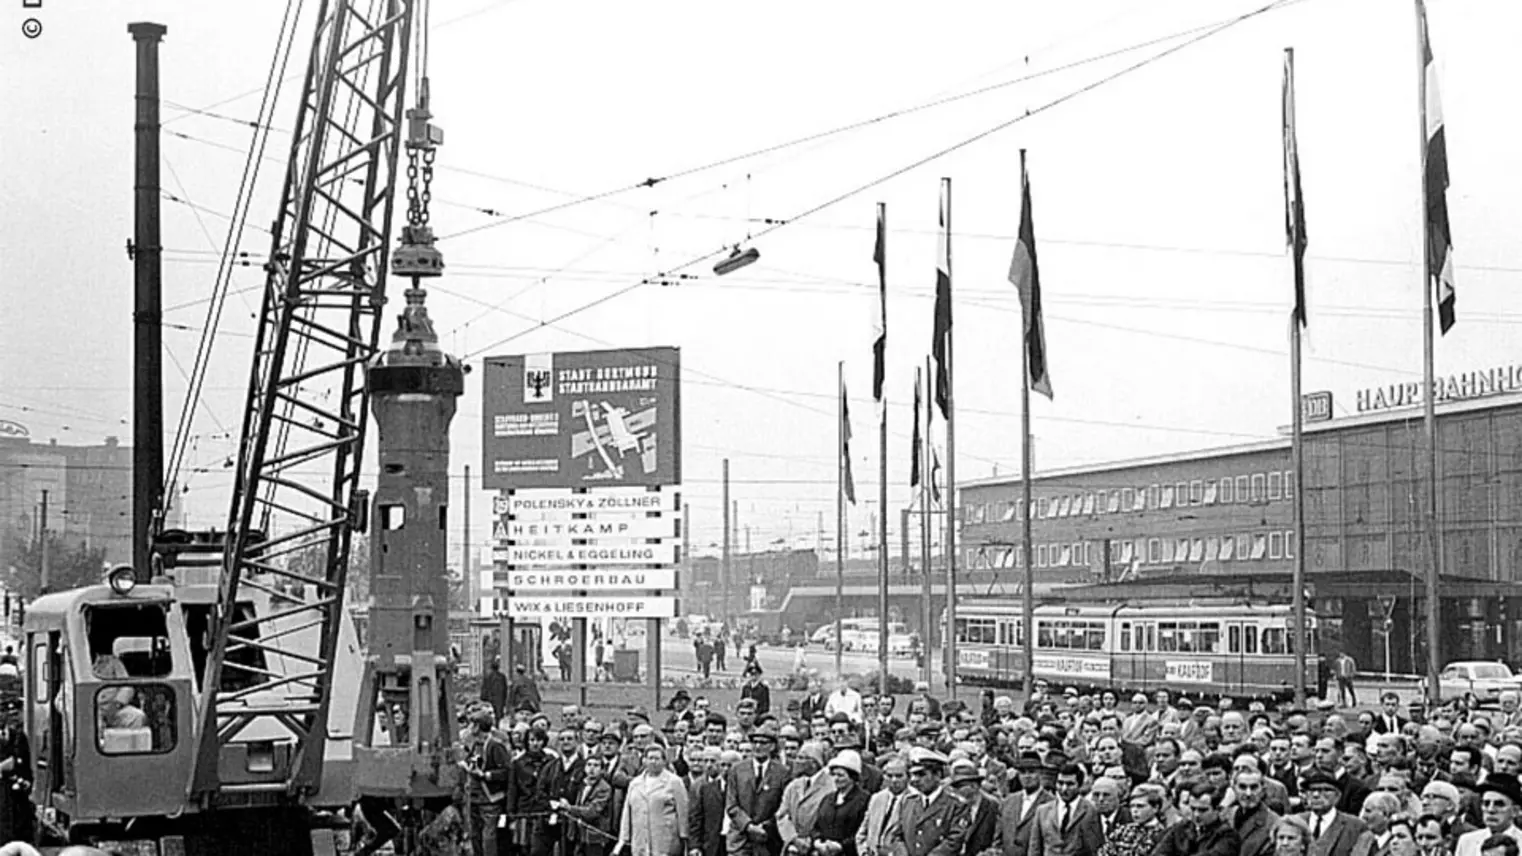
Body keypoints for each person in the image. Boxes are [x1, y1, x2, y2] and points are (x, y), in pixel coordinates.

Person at [886, 748, 970, 856]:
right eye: (913, 774)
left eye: (921, 774)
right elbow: (897, 835)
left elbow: (954, 841)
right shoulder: (908, 802)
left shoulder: (956, 805)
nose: (915, 779)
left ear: (938, 775)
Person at [726, 722, 788, 856]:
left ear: (772, 746)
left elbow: (783, 807)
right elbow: (732, 805)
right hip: (739, 840)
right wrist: (748, 826)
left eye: (763, 743)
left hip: (767, 841)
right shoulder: (737, 770)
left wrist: (765, 827)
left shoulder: (782, 773)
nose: (758, 746)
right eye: (755, 742)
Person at [618, 744, 690, 856]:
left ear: (664, 761)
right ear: (644, 761)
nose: (653, 762)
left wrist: (684, 838)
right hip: (640, 842)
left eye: (657, 758)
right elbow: (627, 812)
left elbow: (683, 811)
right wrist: (624, 837)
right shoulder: (635, 783)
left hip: (665, 841)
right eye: (650, 758)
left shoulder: (674, 782)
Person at [1028, 763, 1101, 856]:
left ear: (1080, 785)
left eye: (1070, 784)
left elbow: (1094, 849)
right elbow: (1034, 849)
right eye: (1060, 783)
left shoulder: (1090, 811)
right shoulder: (1042, 811)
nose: (1064, 788)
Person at [1152, 782, 1240, 856]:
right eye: (1193, 809)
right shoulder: (1181, 828)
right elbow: (1159, 853)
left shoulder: (1227, 835)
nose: (1196, 814)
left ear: (1217, 810)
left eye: (1203, 810)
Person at [557, 753, 615, 856]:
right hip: (579, 834)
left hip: (595, 836)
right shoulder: (582, 784)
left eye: (596, 765)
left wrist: (569, 808)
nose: (592, 768)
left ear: (602, 770)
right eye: (589, 765)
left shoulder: (604, 788)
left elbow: (591, 812)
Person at [815, 750, 871, 856]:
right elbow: (817, 826)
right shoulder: (828, 799)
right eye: (834, 775)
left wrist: (841, 846)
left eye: (841, 775)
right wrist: (817, 842)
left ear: (852, 777)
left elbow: (863, 831)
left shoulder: (864, 799)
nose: (836, 779)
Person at [858, 757, 909, 856]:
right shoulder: (876, 798)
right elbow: (862, 833)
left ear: (908, 777)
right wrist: (863, 852)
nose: (894, 780)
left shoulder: (914, 800)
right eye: (889, 776)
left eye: (899, 776)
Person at [1097, 786, 1166, 856]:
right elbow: (1104, 851)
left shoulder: (1163, 834)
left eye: (1140, 806)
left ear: (1155, 808)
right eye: (1132, 806)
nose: (1134, 811)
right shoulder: (1122, 830)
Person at [481, 657, 508, 721]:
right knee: (498, 714)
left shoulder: (488, 676)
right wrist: (505, 699)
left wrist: (483, 697)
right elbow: (505, 689)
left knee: (490, 714)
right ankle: (497, 725)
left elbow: (485, 687)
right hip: (499, 699)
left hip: (490, 698)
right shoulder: (502, 676)